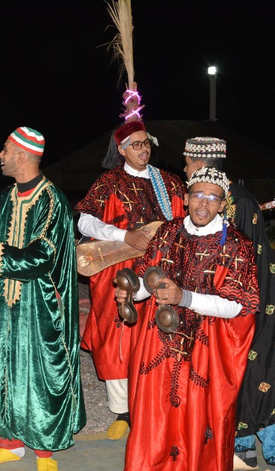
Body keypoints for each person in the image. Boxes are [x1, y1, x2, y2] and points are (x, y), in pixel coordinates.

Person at [117, 167, 259, 471]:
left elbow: (240, 306)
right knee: (157, 414)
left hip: (206, 346)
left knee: (202, 421)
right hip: (160, 341)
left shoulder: (237, 245)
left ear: (223, 204)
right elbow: (145, 279)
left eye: (213, 197)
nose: (203, 203)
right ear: (186, 199)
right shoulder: (167, 233)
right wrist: (130, 296)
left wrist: (186, 298)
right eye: (198, 194)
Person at [0, 127, 85, 471]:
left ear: (22, 156)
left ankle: (45, 450)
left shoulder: (53, 200)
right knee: (6, 364)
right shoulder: (7, 197)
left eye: (4, 150)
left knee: (40, 371)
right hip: (7, 299)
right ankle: (10, 445)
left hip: (42, 302)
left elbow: (44, 256)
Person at [183, 137, 275, 471]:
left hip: (257, 309)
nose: (185, 169)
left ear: (203, 164)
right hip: (233, 309)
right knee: (237, 379)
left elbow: (236, 264)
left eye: (187, 162)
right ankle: (244, 450)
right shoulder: (221, 197)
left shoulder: (237, 201)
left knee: (266, 379)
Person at [75, 120, 186, 440]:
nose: (143, 149)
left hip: (161, 268)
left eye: (146, 143)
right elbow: (84, 220)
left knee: (161, 330)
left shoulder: (169, 182)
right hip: (116, 269)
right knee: (118, 337)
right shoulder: (108, 181)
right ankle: (123, 411)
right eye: (136, 144)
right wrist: (125, 236)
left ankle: (158, 401)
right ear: (121, 149)